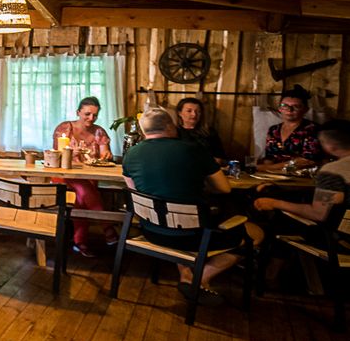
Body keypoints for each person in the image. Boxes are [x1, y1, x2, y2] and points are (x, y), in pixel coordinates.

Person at [122, 107, 259, 306]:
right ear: (170, 126)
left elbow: (136, 193)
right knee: (255, 234)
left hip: (152, 232)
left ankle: (186, 274)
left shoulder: (131, 154)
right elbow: (224, 188)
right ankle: (202, 276)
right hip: (192, 237)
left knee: (176, 219)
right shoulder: (193, 149)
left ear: (144, 131)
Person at [254, 119, 350, 252]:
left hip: (347, 243)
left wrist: (275, 203)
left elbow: (318, 214)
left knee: (281, 221)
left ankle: (273, 277)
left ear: (329, 145)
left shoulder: (334, 171)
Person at [51, 96, 114, 258]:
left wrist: (106, 155)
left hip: (88, 177)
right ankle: (107, 227)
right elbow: (56, 156)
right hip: (63, 175)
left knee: (81, 197)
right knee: (84, 190)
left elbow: (104, 154)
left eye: (95, 115)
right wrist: (70, 154)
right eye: (87, 114)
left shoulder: (99, 132)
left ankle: (80, 242)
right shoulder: (65, 128)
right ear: (78, 112)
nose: (91, 118)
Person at [258, 86, 326, 172]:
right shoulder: (274, 130)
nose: (289, 110)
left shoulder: (313, 129)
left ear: (305, 109)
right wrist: (267, 169)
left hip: (303, 177)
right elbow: (269, 157)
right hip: (275, 174)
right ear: (279, 108)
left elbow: (308, 160)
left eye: (296, 106)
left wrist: (269, 168)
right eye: (284, 105)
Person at [176, 97, 225, 162]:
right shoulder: (175, 132)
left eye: (198, 111)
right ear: (180, 113)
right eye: (189, 111)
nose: (194, 114)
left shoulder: (209, 132)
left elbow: (219, 157)